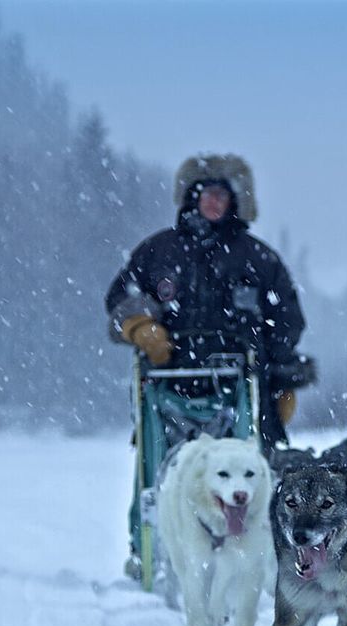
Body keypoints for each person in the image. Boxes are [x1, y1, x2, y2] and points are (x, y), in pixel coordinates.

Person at [105, 153, 310, 448]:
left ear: (234, 201)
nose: (214, 202)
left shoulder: (258, 259)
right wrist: (140, 326)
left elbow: (286, 320)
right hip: (169, 382)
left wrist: (282, 379)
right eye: (207, 194)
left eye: (222, 195)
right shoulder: (159, 251)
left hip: (244, 385)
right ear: (192, 197)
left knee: (251, 475)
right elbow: (120, 296)